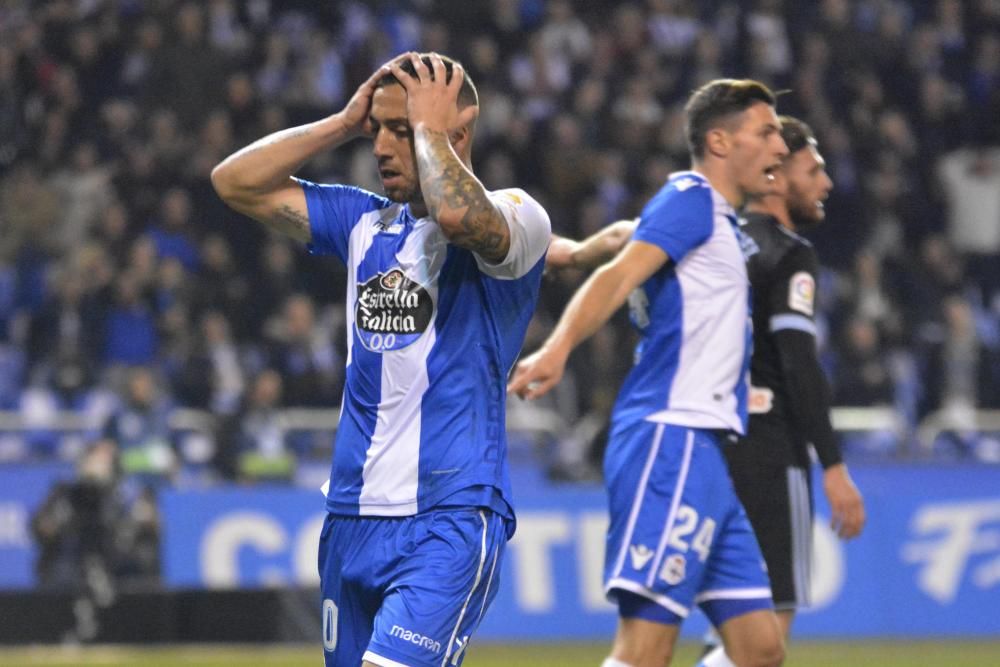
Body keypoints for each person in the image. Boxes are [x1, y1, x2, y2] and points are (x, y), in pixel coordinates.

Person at [211, 52, 550, 667]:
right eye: (380, 130)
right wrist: (342, 123)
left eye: (403, 129)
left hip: (449, 515)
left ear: (459, 131)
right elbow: (233, 181)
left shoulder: (521, 218)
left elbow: (455, 215)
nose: (383, 147)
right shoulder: (363, 222)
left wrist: (430, 131)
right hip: (351, 517)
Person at [509, 78, 788, 667]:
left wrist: (583, 246)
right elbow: (618, 276)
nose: (780, 147)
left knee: (759, 648)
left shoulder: (710, 220)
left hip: (706, 450)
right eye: (765, 133)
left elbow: (621, 239)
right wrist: (557, 348)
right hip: (671, 438)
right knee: (644, 651)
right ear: (719, 141)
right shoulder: (689, 197)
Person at [699, 116, 865, 662]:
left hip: (711, 448)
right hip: (771, 453)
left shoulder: (715, 241)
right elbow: (797, 363)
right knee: (768, 635)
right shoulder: (790, 254)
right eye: (812, 169)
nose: (827, 183)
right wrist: (834, 466)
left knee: (734, 631)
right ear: (775, 175)